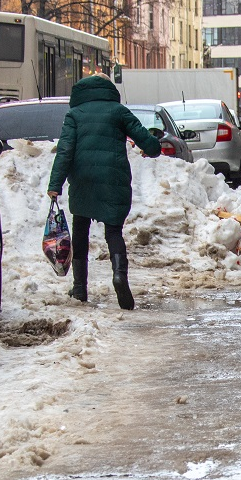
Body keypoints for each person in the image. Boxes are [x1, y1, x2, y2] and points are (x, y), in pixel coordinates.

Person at [47, 72, 161, 309]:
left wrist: (54, 185)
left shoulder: (75, 114)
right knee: (113, 232)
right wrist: (152, 148)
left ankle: (79, 288)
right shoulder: (118, 111)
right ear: (108, 89)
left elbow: (65, 150)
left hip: (83, 179)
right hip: (113, 177)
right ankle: (119, 276)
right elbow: (144, 138)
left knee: (80, 229)